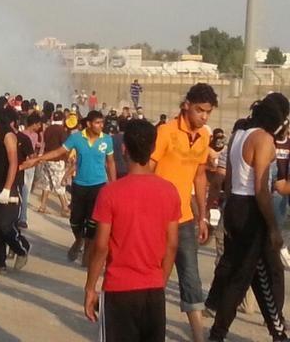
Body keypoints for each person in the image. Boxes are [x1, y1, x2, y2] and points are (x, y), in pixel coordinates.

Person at [83, 119, 180, 342]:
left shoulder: (110, 193)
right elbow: (172, 244)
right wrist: (160, 281)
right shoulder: (169, 191)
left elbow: (101, 246)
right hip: (153, 288)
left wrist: (90, 287)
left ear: (124, 149)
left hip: (118, 289)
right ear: (153, 149)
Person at [205, 93, 290, 342]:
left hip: (235, 205)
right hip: (252, 210)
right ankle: (218, 333)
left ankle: (277, 331)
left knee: (257, 273)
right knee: (243, 277)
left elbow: (231, 180)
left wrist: (228, 211)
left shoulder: (239, 135)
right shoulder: (263, 139)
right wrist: (273, 228)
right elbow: (261, 189)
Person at [149, 83, 217, 342]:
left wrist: (202, 216)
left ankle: (198, 335)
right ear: (187, 105)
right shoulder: (165, 132)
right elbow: (148, 169)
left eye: (208, 112)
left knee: (191, 276)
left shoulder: (204, 137)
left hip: (185, 218)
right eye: (200, 110)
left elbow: (200, 177)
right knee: (155, 274)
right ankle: (150, 325)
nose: (204, 116)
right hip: (157, 218)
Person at [32, 109, 116, 266]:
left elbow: (110, 163)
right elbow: (59, 151)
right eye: (97, 123)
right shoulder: (76, 138)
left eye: (102, 123)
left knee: (93, 221)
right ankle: (78, 240)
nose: (101, 126)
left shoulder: (107, 140)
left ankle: (87, 256)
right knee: (75, 220)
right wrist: (39, 159)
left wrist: (114, 184)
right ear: (89, 124)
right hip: (79, 185)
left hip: (98, 185)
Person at [0, 98, 32, 275]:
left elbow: (13, 162)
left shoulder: (8, 135)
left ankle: (22, 248)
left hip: (9, 185)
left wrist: (7, 188)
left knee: (4, 225)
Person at [36, 111, 70, 216]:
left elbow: (45, 143)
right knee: (59, 184)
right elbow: (64, 147)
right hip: (57, 160)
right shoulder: (62, 131)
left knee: (47, 184)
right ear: (63, 119)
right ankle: (64, 208)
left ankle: (42, 206)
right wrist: (68, 158)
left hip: (47, 158)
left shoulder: (48, 129)